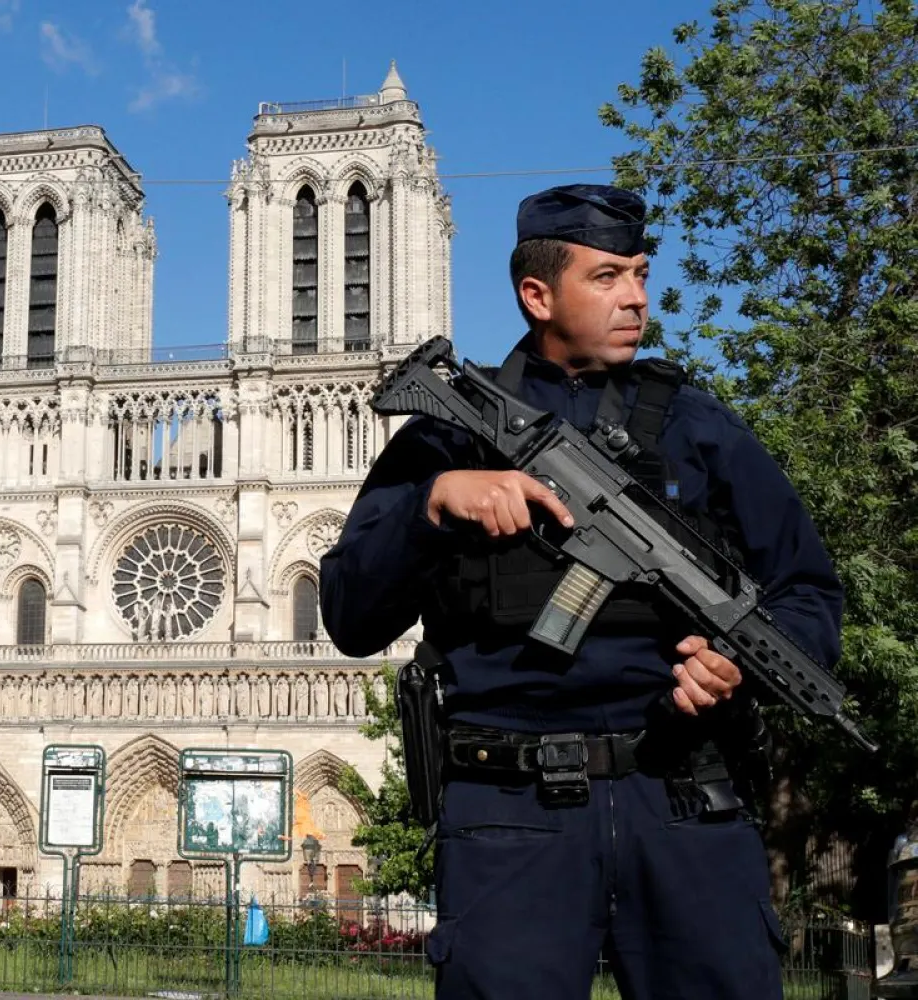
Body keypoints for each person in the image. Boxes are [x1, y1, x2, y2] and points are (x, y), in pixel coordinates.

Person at [320, 183, 844, 1000]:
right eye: (606, 277)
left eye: (639, 273)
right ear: (537, 295)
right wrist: (434, 502)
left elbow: (808, 593)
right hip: (510, 810)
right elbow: (350, 616)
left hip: (684, 800)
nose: (636, 297)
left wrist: (737, 669)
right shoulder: (451, 433)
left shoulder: (700, 428)